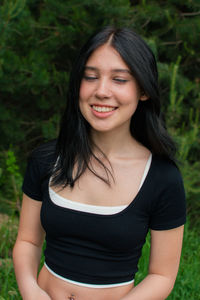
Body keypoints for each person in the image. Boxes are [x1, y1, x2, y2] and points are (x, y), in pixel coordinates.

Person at [13, 26, 186, 300]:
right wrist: (31, 292)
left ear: (143, 89)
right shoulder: (46, 160)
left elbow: (162, 275)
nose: (101, 91)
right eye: (90, 77)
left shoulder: (163, 178)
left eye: (119, 79)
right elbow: (28, 241)